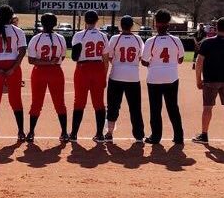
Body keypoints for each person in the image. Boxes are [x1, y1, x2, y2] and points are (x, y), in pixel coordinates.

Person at [192, 17, 224, 145]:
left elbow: (199, 62)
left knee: (207, 108)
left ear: (216, 28)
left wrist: (198, 80)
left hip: (210, 80)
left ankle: (204, 135)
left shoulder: (207, 42)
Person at [140, 10, 185, 145]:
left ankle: (155, 137)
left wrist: (152, 63)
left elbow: (144, 61)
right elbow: (180, 60)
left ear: (156, 24)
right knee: (173, 107)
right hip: (171, 77)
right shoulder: (176, 40)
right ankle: (178, 136)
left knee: (155, 108)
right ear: (168, 23)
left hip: (154, 78)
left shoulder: (151, 41)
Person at [0, 5, 27, 142]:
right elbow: (22, 51)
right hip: (13, 66)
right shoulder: (18, 31)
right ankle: (21, 131)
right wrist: (13, 68)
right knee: (16, 99)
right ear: (11, 16)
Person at [26, 13, 68, 142]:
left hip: (39, 72)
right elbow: (62, 57)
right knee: (60, 103)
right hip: (56, 72)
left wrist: (45, 63)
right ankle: (64, 133)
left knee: (36, 103)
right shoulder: (61, 38)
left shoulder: (36, 38)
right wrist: (51, 62)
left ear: (41, 23)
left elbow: (31, 60)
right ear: (55, 24)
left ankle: (31, 132)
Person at [69, 10, 109, 142]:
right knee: (99, 103)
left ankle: (74, 134)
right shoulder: (103, 36)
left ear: (85, 21)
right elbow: (105, 59)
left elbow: (74, 57)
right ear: (97, 21)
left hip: (83, 68)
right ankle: (100, 134)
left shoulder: (79, 35)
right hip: (98, 68)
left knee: (79, 101)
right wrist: (104, 75)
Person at [104, 15, 145, 143]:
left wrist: (118, 64)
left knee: (113, 106)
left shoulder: (115, 38)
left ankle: (109, 132)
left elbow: (109, 57)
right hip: (133, 76)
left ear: (121, 26)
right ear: (132, 26)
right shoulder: (138, 39)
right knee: (135, 107)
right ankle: (139, 136)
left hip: (116, 75)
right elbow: (140, 57)